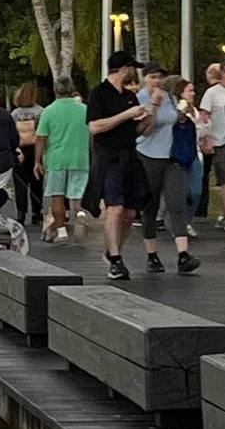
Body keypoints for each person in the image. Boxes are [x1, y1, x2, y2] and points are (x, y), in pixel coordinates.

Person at [85, 50, 151, 282]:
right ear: (124, 69)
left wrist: (148, 118)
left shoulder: (129, 96)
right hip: (108, 156)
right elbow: (94, 127)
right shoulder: (99, 93)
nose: (133, 74)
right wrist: (125, 115)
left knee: (131, 211)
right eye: (132, 69)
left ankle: (114, 249)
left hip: (129, 155)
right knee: (115, 208)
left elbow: (136, 130)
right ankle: (115, 259)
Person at [135, 66, 201, 275]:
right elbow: (145, 130)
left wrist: (182, 115)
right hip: (148, 155)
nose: (157, 81)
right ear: (145, 79)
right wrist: (154, 105)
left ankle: (183, 254)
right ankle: (152, 254)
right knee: (151, 205)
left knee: (177, 202)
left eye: (161, 77)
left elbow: (174, 121)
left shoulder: (171, 98)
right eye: (153, 77)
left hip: (172, 156)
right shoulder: (139, 99)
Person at [31, 79, 91, 246]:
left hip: (56, 159)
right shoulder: (84, 109)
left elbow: (41, 137)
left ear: (55, 90)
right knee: (76, 195)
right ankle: (79, 214)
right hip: (79, 158)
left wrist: (37, 161)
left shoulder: (49, 111)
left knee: (57, 196)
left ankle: (62, 231)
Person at [199, 62, 225, 231]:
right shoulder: (212, 93)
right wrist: (206, 138)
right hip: (220, 140)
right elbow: (204, 117)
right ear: (223, 73)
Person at [9, 82, 44, 223]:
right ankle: (37, 212)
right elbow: (42, 134)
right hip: (35, 149)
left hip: (20, 150)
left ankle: (21, 212)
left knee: (20, 184)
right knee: (37, 182)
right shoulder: (40, 112)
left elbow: (11, 134)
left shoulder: (14, 113)